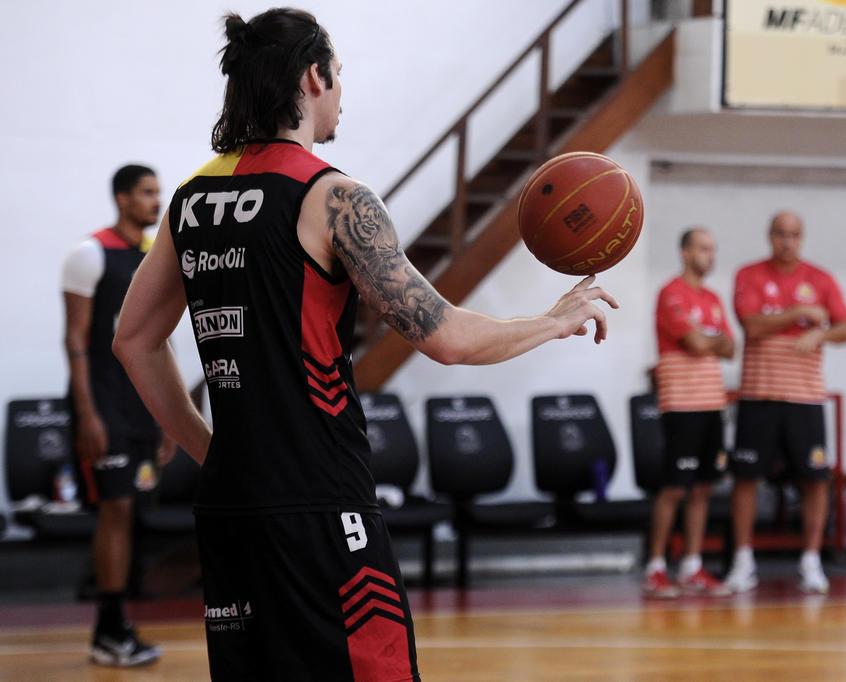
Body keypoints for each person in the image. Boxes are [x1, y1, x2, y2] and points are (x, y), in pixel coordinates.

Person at [111, 9, 618, 681]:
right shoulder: (332, 197)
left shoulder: (192, 199)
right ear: (313, 76)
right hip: (322, 505)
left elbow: (134, 340)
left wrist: (215, 453)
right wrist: (554, 320)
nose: (342, 90)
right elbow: (445, 337)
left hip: (232, 508)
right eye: (339, 74)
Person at [61, 164, 173, 667]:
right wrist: (87, 415)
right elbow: (76, 339)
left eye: (158, 192)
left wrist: (170, 415)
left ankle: (115, 626)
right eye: (147, 193)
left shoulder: (153, 257)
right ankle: (108, 627)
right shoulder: (90, 254)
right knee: (116, 510)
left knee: (132, 513)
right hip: (102, 404)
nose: (156, 201)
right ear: (122, 198)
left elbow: (160, 341)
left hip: (140, 404)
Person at [718, 211, 846, 595]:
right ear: (770, 236)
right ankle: (742, 562)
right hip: (759, 396)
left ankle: (811, 561)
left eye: (794, 235)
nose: (787, 241)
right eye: (780, 233)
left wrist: (821, 335)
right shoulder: (750, 275)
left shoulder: (820, 279)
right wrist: (799, 314)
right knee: (745, 479)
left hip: (805, 398)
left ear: (802, 238)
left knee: (814, 480)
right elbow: (752, 326)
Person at [644, 228, 734, 599]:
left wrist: (708, 340)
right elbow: (697, 343)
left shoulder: (712, 298)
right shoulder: (671, 294)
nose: (709, 255)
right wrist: (708, 340)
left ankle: (691, 566)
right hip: (681, 405)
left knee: (703, 488)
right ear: (684, 252)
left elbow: (730, 347)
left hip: (713, 404)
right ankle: (655, 567)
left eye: (713, 249)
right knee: (673, 489)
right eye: (702, 248)